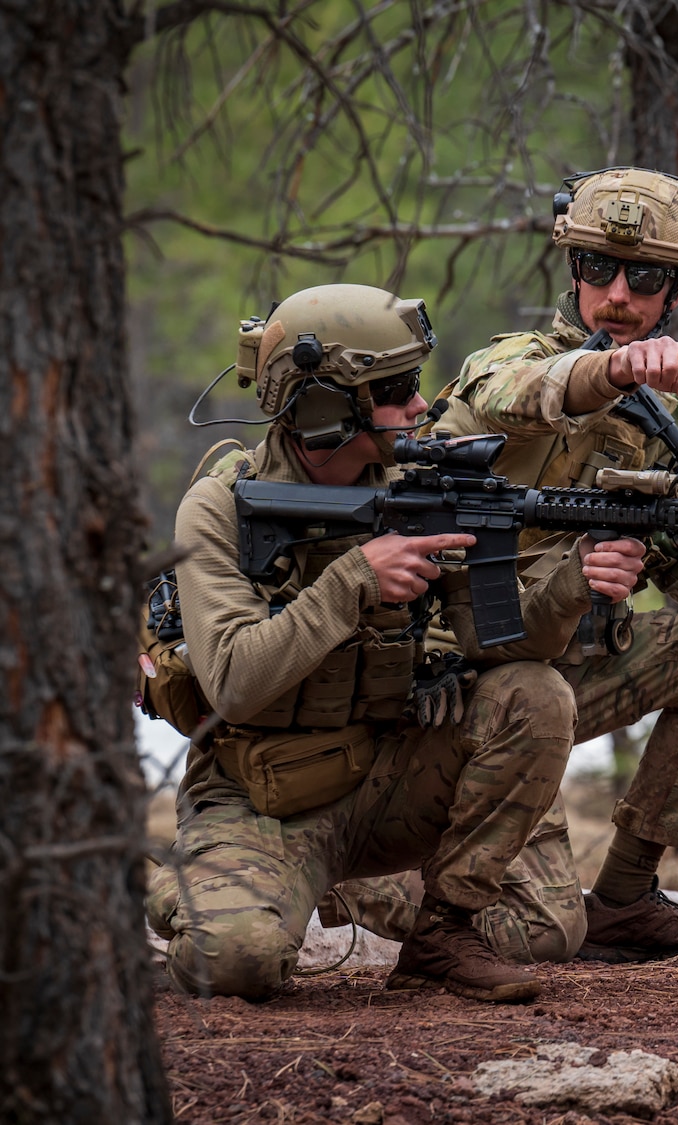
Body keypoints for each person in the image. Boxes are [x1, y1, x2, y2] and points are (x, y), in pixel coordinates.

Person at [319, 167, 678, 964]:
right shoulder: (510, 363)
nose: (617, 293)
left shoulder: (675, 419)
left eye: (645, 276)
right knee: (543, 933)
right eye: (596, 268)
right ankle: (335, 877)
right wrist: (611, 373)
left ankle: (626, 894)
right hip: (473, 692)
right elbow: (522, 391)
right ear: (571, 270)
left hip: (571, 667)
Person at [145, 284, 648, 1002]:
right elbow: (231, 681)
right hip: (263, 798)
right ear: (323, 410)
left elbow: (493, 645)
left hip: (388, 784)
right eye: (395, 389)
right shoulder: (222, 505)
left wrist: (576, 579)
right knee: (236, 962)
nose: (420, 406)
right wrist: (353, 580)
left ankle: (442, 932)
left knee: (536, 712)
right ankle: (192, 889)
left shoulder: (425, 479)